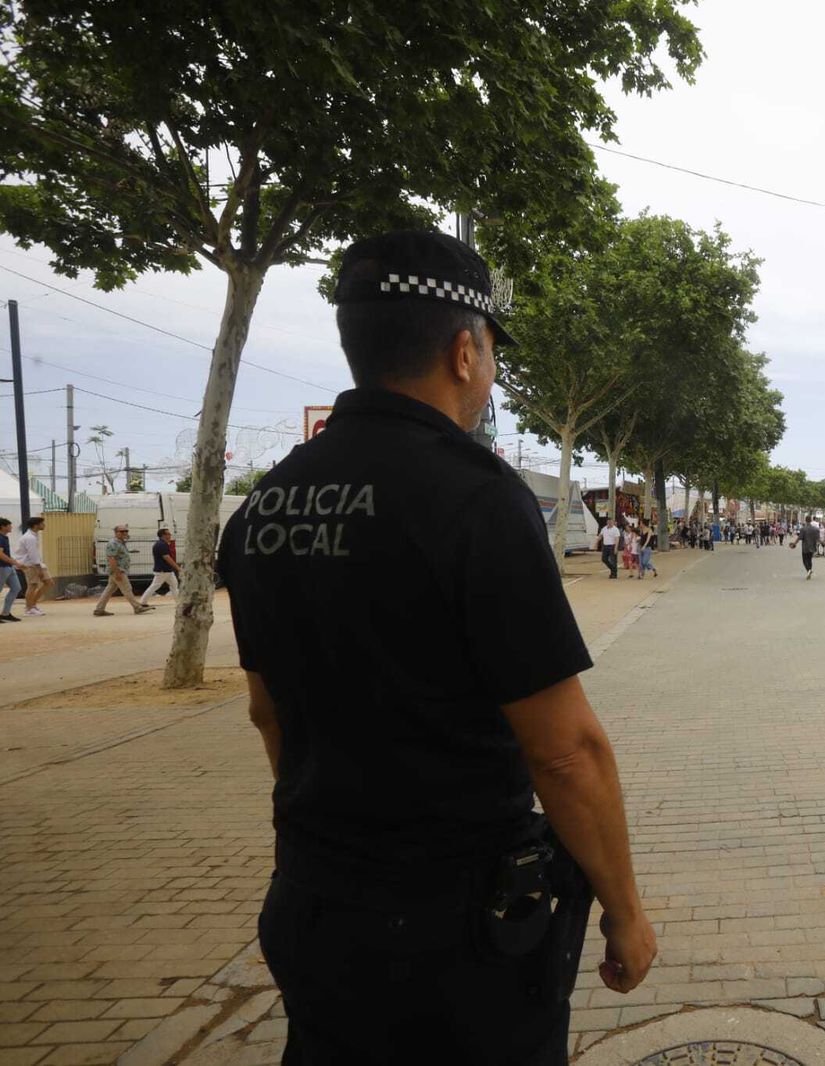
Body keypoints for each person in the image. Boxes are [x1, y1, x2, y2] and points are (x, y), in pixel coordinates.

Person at [218, 230, 655, 1065]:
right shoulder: (477, 500)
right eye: (490, 350)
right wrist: (625, 910)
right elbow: (566, 754)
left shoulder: (267, 505)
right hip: (457, 934)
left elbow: (266, 712)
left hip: (313, 903)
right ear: (464, 351)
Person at [95, 524, 153, 616]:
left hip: (119, 570)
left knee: (110, 589)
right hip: (118, 570)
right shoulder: (113, 543)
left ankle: (99, 609)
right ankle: (137, 607)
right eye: (122, 531)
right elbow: (111, 559)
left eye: (126, 531)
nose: (125, 533)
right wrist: (117, 572)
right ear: (116, 533)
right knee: (127, 589)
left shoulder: (120, 542)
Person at [16, 515, 51, 616]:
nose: (44, 525)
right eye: (42, 523)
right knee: (32, 585)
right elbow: (32, 554)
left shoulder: (33, 535)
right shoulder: (30, 538)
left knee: (49, 583)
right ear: (36, 525)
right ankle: (29, 608)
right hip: (30, 564)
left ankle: (32, 605)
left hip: (35, 563)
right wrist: (38, 567)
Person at [140, 528, 181, 607]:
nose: (170, 535)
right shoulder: (161, 545)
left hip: (166, 570)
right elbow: (167, 558)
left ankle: (179, 602)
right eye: (168, 534)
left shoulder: (162, 544)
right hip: (163, 570)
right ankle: (143, 602)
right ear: (163, 535)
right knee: (156, 586)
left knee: (174, 585)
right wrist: (177, 568)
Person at [0, 518, 20, 622]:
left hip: (8, 567)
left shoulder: (4, 537)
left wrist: (13, 562)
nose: (11, 527)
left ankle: (5, 613)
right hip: (2, 567)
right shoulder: (0, 538)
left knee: (16, 588)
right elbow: (0, 554)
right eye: (9, 525)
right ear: (3, 526)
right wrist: (13, 562)